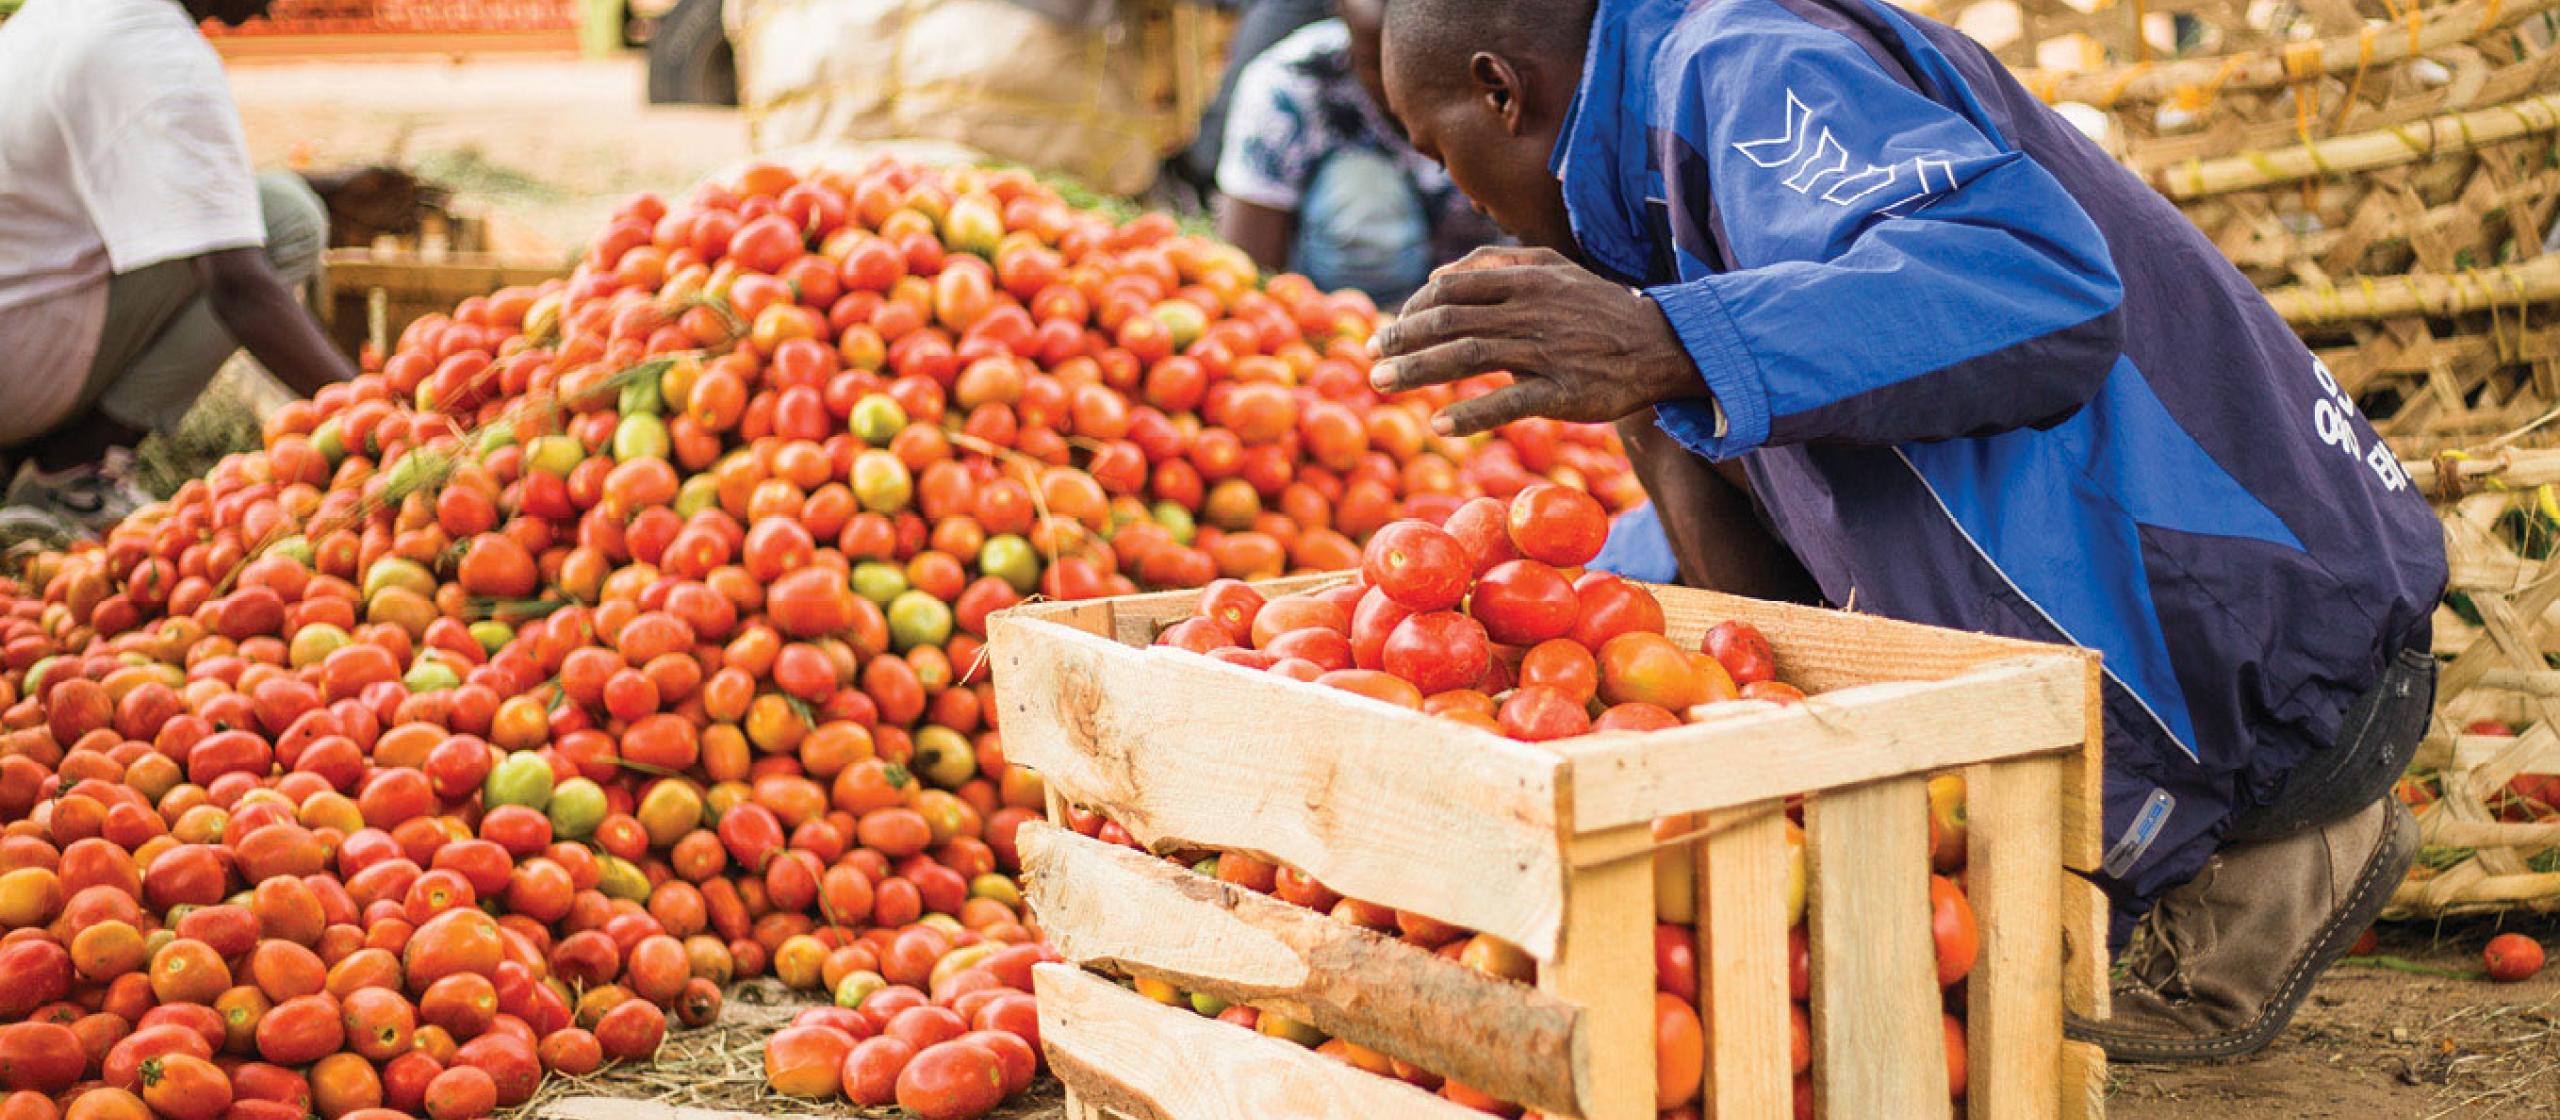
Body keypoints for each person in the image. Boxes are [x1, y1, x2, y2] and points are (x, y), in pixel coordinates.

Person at [1373, 0, 2446, 1063]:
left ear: (1499, 91)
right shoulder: (1646, 168)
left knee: (1957, 1031)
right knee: (1677, 433)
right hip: (2207, 651)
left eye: (1435, 150)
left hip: (2276, 672)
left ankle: (2260, 865)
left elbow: (2043, 290)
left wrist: (1667, 339)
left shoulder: (1736, 68)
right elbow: (1731, 534)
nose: (1457, 195)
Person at [0, 0, 356, 536]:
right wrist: (383, 417)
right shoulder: (157, 50)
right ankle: (72, 470)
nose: (276, 7)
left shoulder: (64, 12)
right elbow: (237, 287)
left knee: (272, 202)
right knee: (287, 220)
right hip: (18, 377)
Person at [1214, 0, 1496, 309]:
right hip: (1345, 315)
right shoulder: (1288, 83)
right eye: (1377, 65)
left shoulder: (1505, 76)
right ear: (1348, 37)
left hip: (1483, 296)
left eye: (1422, 67)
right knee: (1360, 189)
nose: (1397, 89)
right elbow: (1247, 268)